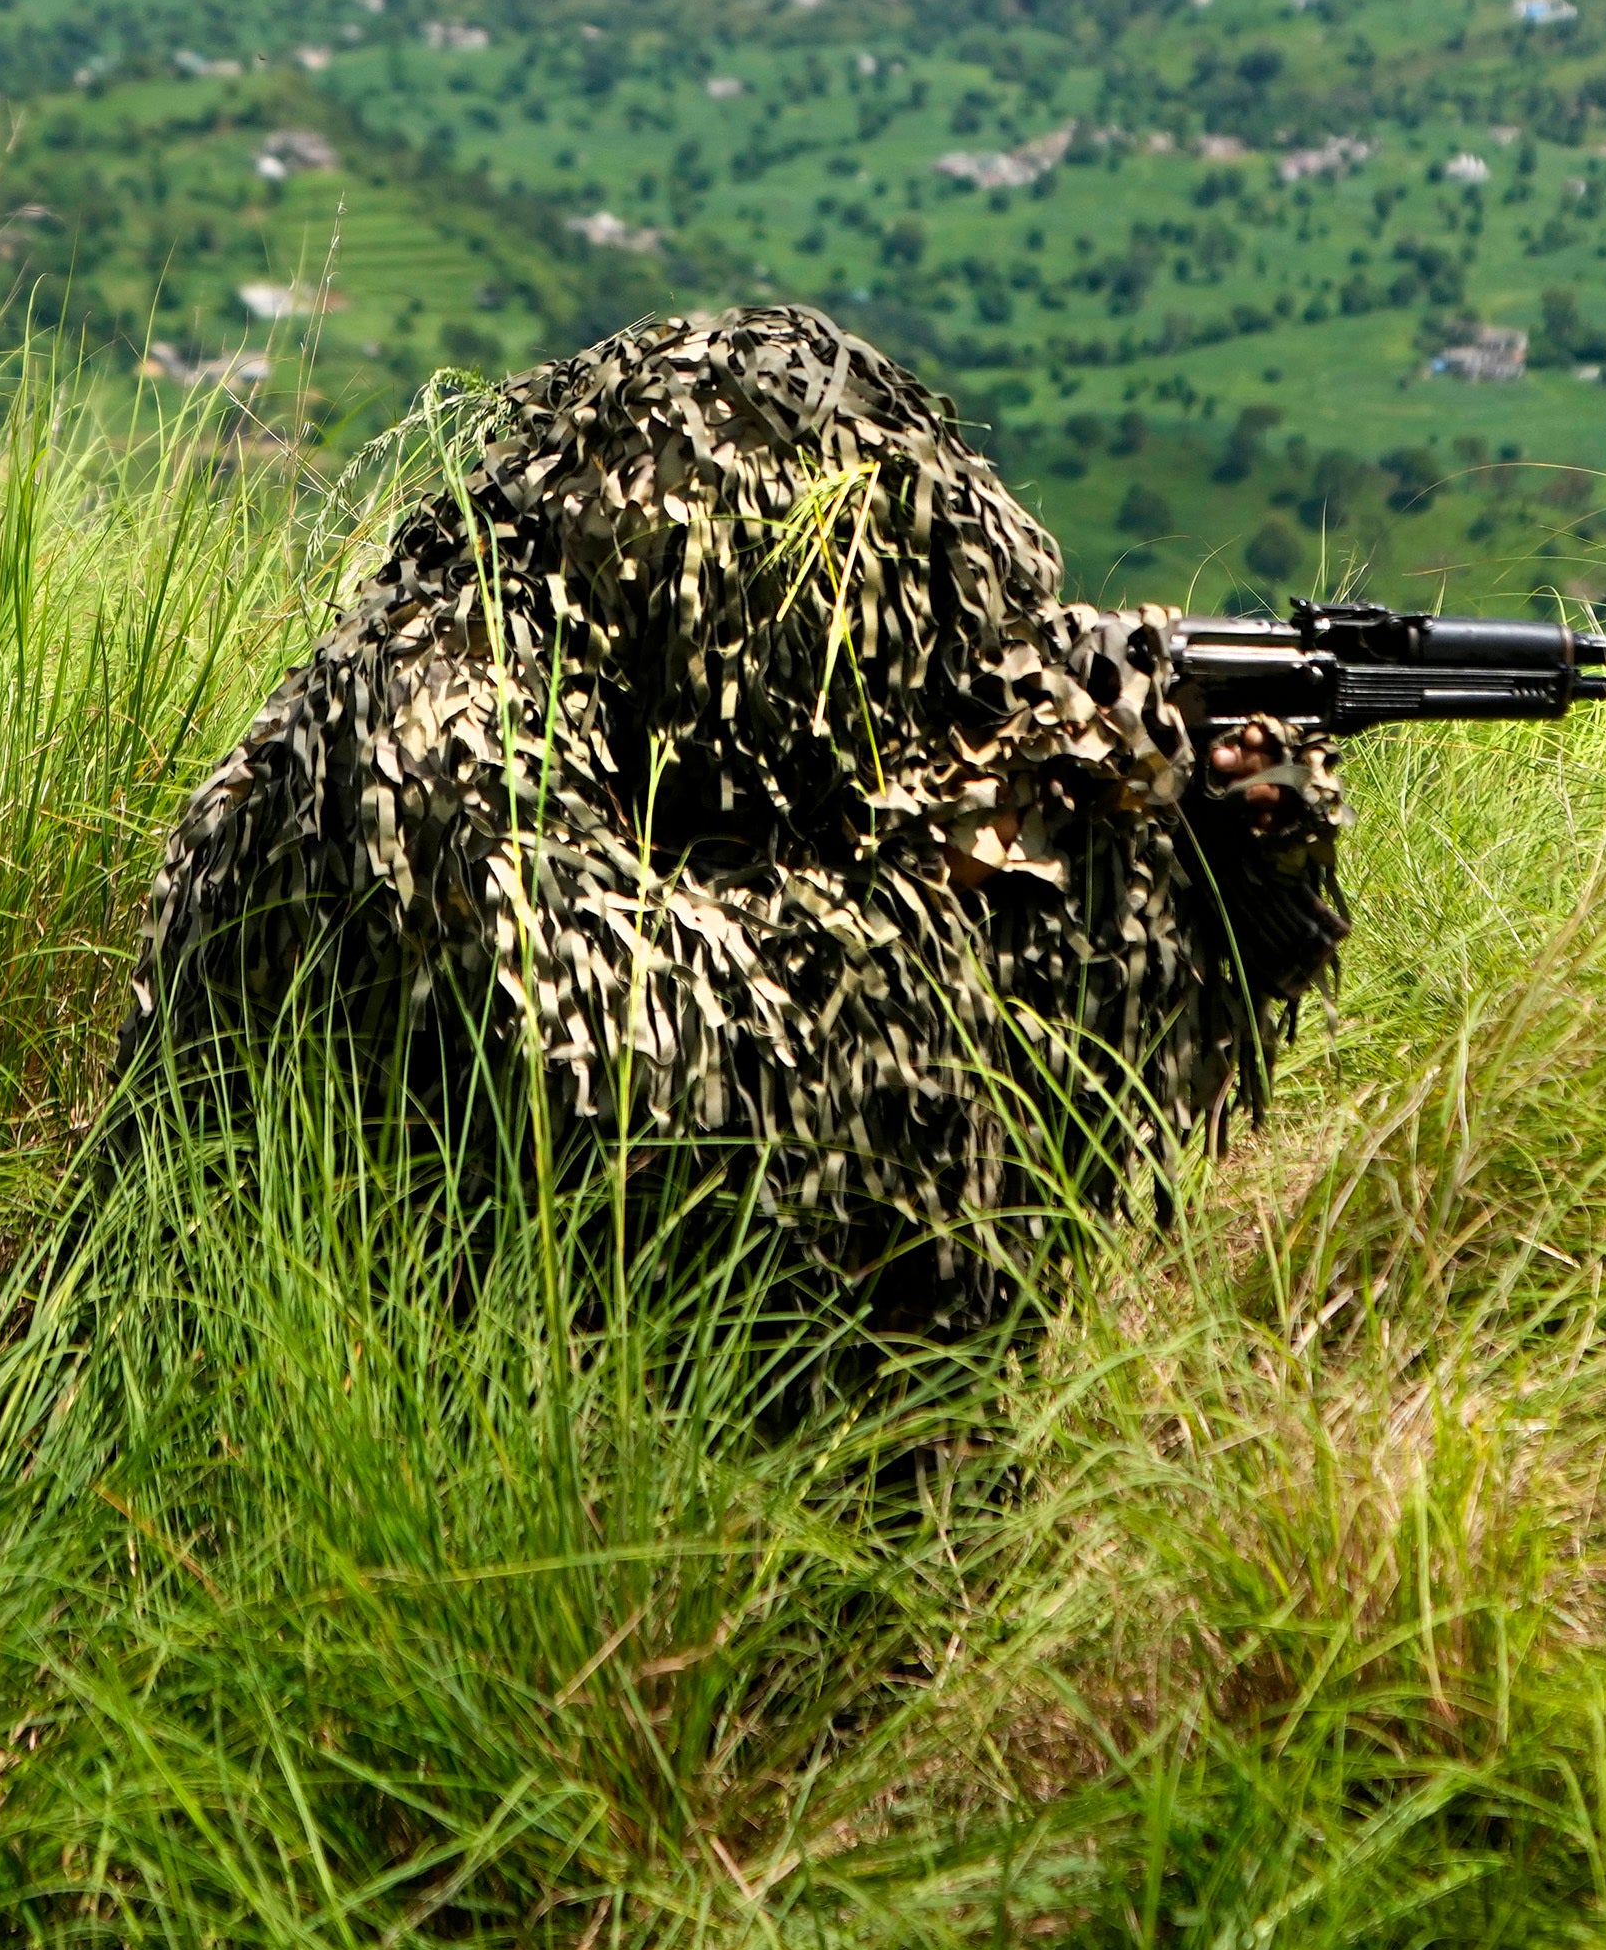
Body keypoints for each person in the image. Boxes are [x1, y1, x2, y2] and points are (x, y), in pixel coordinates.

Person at [120, 305, 1347, 1351]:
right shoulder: (434, 720)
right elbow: (627, 1091)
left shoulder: (600, 641)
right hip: (363, 1332)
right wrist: (1025, 876)